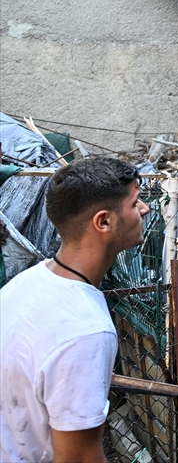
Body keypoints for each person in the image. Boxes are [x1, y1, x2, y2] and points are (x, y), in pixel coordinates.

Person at [0, 157, 150, 463]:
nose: (145, 208)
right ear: (104, 222)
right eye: (135, 203)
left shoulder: (23, 285)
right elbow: (80, 458)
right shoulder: (86, 331)